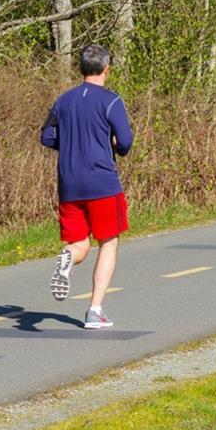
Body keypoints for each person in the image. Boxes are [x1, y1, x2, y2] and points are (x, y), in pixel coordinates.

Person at [41, 44, 133, 329]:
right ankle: (94, 311)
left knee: (79, 243)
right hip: (102, 181)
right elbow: (125, 141)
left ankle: (68, 258)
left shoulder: (63, 101)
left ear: (80, 68)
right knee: (109, 241)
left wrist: (71, 144)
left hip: (69, 183)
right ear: (106, 69)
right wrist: (114, 146)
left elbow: (46, 137)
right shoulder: (111, 101)